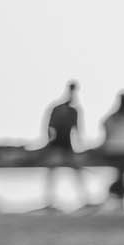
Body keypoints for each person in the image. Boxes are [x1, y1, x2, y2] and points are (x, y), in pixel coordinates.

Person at [39, 81, 89, 210]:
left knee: (74, 171)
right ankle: (49, 201)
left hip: (66, 145)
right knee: (53, 172)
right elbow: (49, 127)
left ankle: (84, 199)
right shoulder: (60, 109)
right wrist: (49, 141)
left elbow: (76, 129)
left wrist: (81, 146)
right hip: (58, 144)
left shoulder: (73, 110)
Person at [98, 91, 124, 212]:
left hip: (113, 151)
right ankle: (120, 198)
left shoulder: (113, 118)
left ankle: (119, 198)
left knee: (120, 175)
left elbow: (105, 126)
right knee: (122, 175)